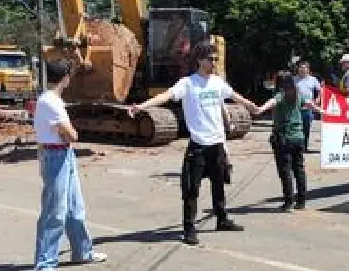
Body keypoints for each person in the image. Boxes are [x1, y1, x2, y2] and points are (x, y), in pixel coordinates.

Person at [128, 42, 257, 245]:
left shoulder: (217, 82)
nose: (214, 62)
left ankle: (221, 219)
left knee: (219, 184)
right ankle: (189, 228)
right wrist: (142, 106)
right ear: (199, 61)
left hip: (217, 144)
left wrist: (250, 105)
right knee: (191, 189)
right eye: (210, 59)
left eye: (215, 59)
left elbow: (233, 96)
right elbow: (165, 96)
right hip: (198, 145)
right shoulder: (188, 83)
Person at [33, 59, 107, 271]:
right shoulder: (50, 102)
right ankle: (45, 262)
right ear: (65, 77)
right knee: (54, 211)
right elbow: (72, 134)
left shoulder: (53, 100)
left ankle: (82, 251)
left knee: (75, 207)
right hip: (55, 155)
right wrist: (70, 132)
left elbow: (68, 135)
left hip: (64, 154)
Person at [256, 74, 323, 212]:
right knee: (299, 170)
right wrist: (323, 111)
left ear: (279, 84)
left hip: (284, 138)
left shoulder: (280, 96)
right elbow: (311, 105)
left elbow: (269, 104)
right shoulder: (298, 95)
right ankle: (301, 201)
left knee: (285, 171)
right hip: (298, 137)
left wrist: (258, 109)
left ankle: (288, 202)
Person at [293, 61, 321, 152]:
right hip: (296, 107)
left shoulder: (313, 79)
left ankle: (304, 146)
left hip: (308, 107)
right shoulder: (293, 79)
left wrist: (317, 100)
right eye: (300, 67)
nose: (302, 69)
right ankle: (297, 146)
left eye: (304, 68)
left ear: (308, 69)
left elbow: (320, 90)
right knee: (296, 128)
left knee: (306, 127)